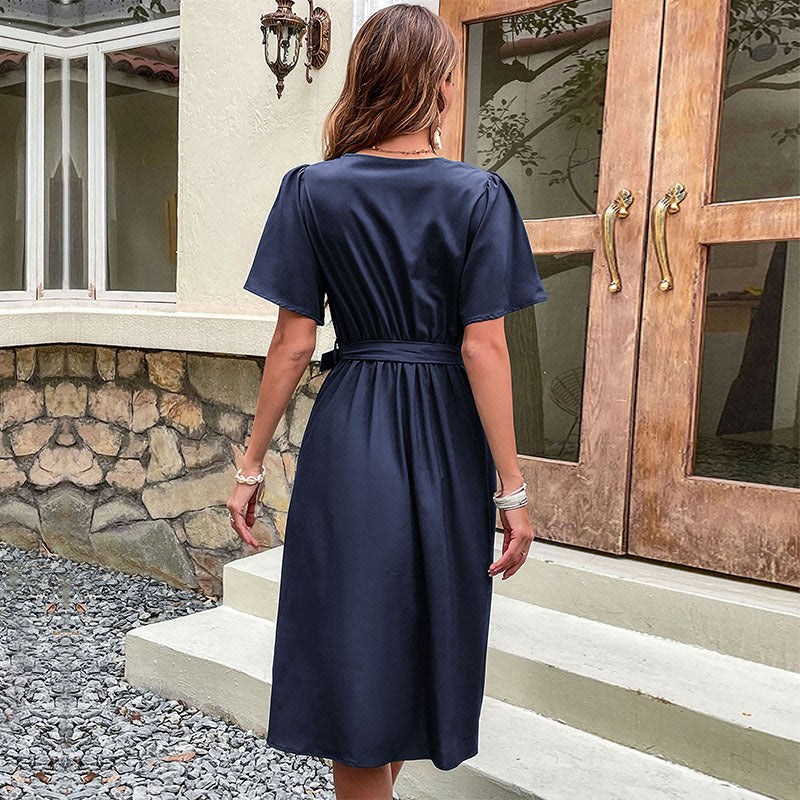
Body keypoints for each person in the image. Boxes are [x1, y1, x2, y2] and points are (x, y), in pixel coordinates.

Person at [226, 4, 547, 799]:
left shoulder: (312, 190)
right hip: (446, 437)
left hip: (355, 428)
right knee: (416, 632)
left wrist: (250, 465)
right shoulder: (480, 196)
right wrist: (512, 490)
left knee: (364, 638)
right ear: (437, 84)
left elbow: (293, 343)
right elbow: (483, 348)